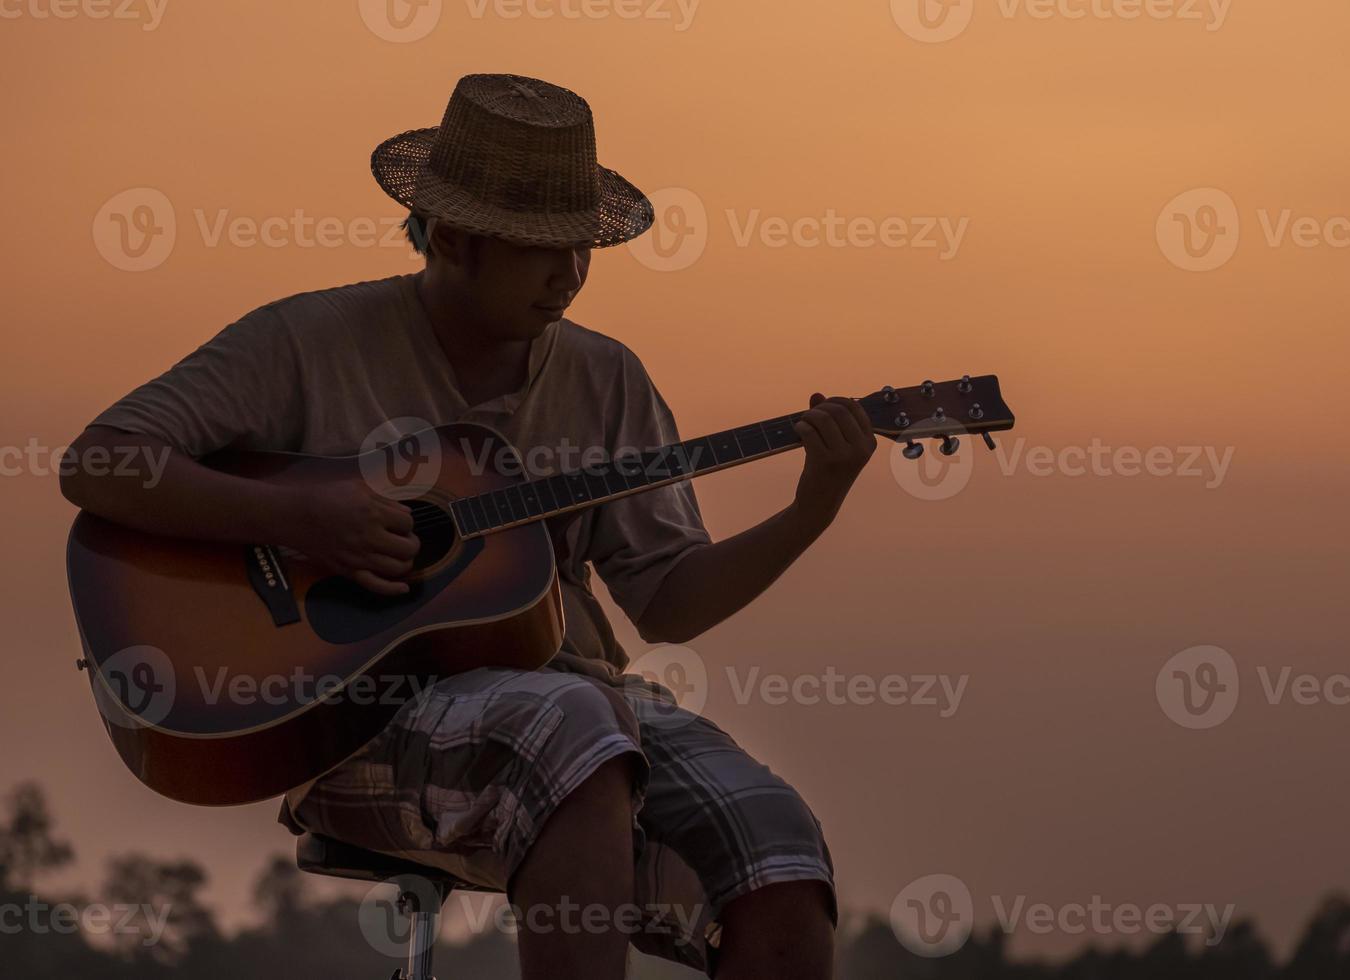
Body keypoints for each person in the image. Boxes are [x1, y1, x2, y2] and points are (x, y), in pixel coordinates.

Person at [59, 72, 877, 979]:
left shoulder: (607, 380)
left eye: (580, 248)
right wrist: (301, 515)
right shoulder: (309, 340)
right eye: (539, 250)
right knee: (577, 723)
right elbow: (99, 461)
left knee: (777, 841)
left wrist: (813, 508)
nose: (569, 274)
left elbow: (670, 603)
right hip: (359, 719)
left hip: (583, 712)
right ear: (451, 237)